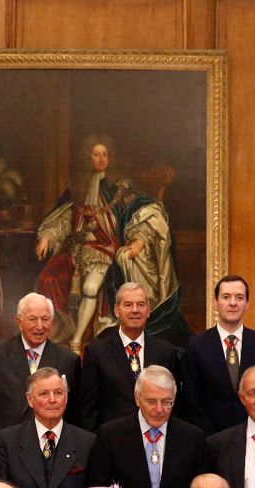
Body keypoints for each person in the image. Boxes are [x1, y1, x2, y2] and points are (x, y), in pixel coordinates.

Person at [33, 133, 183, 349]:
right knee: (48, 278)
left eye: (105, 154)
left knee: (91, 286)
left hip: (103, 249)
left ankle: (76, 341)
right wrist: (48, 236)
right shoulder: (78, 187)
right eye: (96, 154)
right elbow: (66, 217)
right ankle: (64, 330)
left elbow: (144, 210)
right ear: (88, 158)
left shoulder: (120, 187)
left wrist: (140, 239)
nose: (101, 159)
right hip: (74, 249)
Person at [88, 365, 208, 488]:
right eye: (151, 401)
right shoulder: (111, 435)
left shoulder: (193, 438)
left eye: (167, 402)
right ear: (137, 399)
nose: (159, 409)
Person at [77, 280, 186, 431]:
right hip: (113, 442)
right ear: (116, 310)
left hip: (157, 439)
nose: (135, 310)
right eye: (128, 305)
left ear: (148, 310)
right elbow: (88, 409)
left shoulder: (166, 352)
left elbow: (176, 405)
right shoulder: (97, 352)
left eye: (141, 305)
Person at [181, 275, 255, 432]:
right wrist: (211, 439)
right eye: (226, 297)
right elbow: (191, 400)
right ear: (215, 303)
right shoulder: (196, 345)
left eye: (239, 297)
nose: (233, 303)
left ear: (247, 304)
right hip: (210, 440)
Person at [0, 293, 80, 432]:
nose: (39, 326)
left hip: (51, 445)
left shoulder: (69, 360)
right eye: (32, 319)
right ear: (19, 322)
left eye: (45, 319)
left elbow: (76, 412)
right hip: (5, 446)